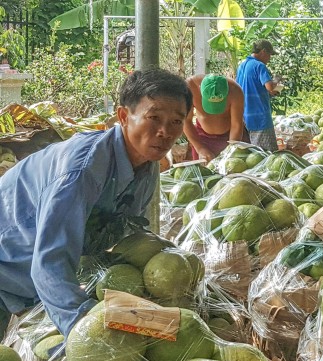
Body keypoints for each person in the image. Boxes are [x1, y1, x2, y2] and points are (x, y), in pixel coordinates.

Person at [0, 69, 191, 341]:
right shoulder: (81, 171)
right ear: (124, 116)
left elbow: (123, 242)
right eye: (154, 118)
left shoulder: (146, 169)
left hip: (35, 285)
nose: (165, 132)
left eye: (176, 121)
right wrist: (88, 333)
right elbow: (49, 266)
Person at [184, 73, 245, 161]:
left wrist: (231, 150)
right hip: (202, 138)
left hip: (230, 137)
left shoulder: (236, 91)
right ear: (200, 89)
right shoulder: (190, 87)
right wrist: (200, 148)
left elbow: (236, 125)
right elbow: (186, 121)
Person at [236, 39, 280, 152]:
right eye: (269, 55)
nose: (269, 59)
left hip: (244, 116)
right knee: (267, 155)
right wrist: (277, 82)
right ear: (263, 51)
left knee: (253, 154)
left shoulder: (242, 65)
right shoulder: (259, 66)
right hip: (260, 117)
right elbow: (270, 87)